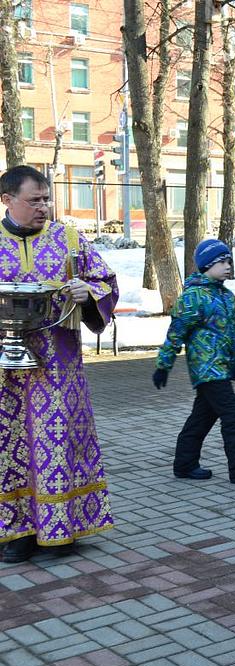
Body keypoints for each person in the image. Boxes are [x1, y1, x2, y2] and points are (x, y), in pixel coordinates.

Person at [0, 165, 118, 563]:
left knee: (56, 443)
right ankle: (17, 531)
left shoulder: (68, 239)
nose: (43, 207)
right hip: (5, 371)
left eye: (46, 199)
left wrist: (90, 291)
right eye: (34, 200)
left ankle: (60, 527)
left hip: (56, 368)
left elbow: (105, 280)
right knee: (9, 445)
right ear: (7, 200)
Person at [153, 239, 235, 485]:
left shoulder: (226, 296)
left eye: (229, 261)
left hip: (223, 366)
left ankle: (185, 464)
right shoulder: (193, 297)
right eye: (221, 262)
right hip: (206, 368)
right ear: (206, 265)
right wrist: (163, 365)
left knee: (202, 418)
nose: (228, 266)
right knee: (233, 416)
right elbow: (176, 333)